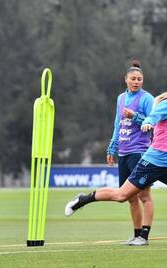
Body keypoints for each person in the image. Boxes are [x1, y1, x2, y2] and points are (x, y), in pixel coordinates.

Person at [65, 68, 167, 246]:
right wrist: (148, 122)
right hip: (153, 162)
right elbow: (154, 116)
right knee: (121, 196)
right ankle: (83, 199)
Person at [66, 60, 154, 246]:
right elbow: (117, 123)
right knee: (129, 198)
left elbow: (153, 122)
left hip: (140, 152)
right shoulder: (121, 98)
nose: (136, 82)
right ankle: (136, 234)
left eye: (139, 79)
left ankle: (144, 237)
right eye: (133, 79)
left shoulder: (147, 99)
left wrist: (135, 117)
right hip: (124, 152)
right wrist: (112, 148)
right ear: (126, 79)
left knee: (144, 196)